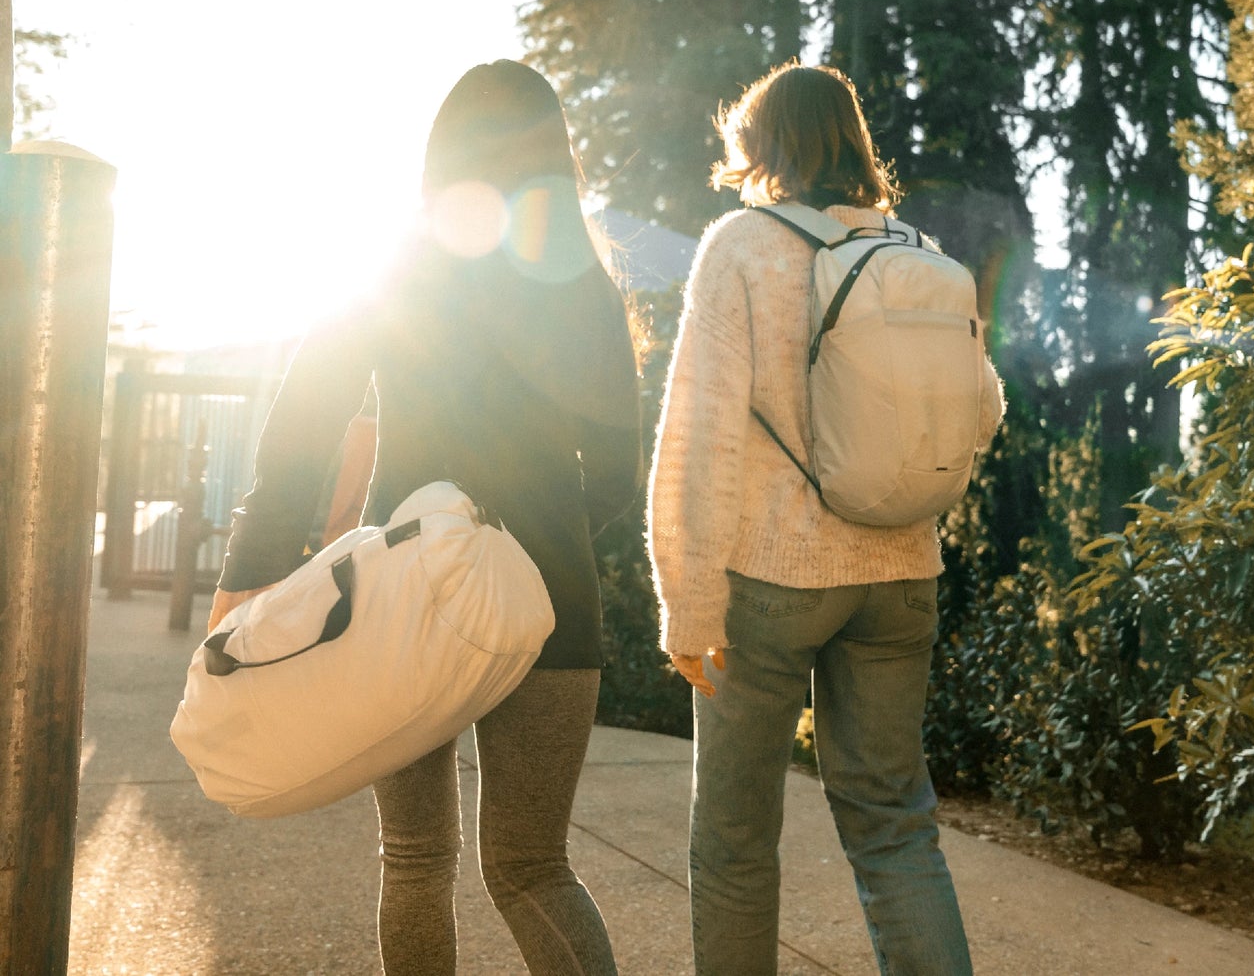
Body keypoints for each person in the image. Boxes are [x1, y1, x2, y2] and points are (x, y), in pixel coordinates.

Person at [209, 60, 643, 976]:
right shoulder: (587, 286)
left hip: (402, 596)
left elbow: (303, 422)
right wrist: (522, 551)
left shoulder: (400, 267)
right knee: (532, 866)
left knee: (414, 862)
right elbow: (612, 474)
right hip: (551, 600)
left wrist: (249, 566)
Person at [647, 61, 1004, 976]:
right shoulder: (917, 250)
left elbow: (700, 432)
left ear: (758, 143)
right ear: (852, 138)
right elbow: (985, 408)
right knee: (893, 829)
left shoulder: (741, 245)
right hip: (900, 574)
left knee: (732, 840)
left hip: (773, 582)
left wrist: (687, 602)